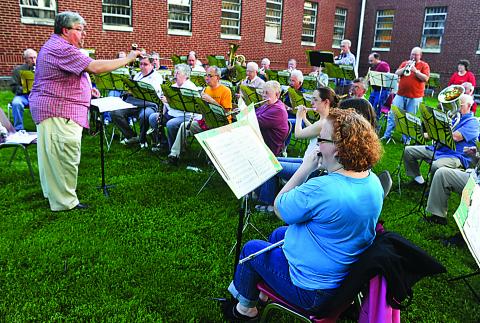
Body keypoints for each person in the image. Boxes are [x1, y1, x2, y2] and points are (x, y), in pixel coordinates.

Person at [224, 108, 383, 321]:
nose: (317, 146)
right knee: (279, 234)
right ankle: (259, 293)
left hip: (314, 292)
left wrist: (305, 168)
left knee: (251, 250)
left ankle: (245, 309)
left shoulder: (323, 188)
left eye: (320, 139)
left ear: (337, 149)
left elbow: (280, 207)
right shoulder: (372, 180)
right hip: (343, 279)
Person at [29, 11, 140, 211]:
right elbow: (95, 67)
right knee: (64, 155)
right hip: (59, 111)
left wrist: (88, 89)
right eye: (80, 30)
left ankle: (54, 195)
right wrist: (128, 59)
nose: (84, 34)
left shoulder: (57, 45)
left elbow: (67, 76)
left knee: (53, 157)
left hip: (55, 108)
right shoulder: (61, 48)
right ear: (65, 30)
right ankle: (65, 203)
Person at [255, 87, 339, 211]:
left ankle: (270, 203)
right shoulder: (325, 120)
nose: (311, 103)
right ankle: (264, 194)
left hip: (312, 168)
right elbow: (314, 132)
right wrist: (305, 118)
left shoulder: (323, 122)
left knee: (271, 165)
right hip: (310, 161)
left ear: (326, 102)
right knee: (272, 159)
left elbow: (299, 134)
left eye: (315, 100)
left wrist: (299, 117)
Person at [403, 94, 479, 186]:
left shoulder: (473, 122)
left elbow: (455, 137)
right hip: (439, 150)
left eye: (459, 104)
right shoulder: (453, 118)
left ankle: (432, 189)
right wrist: (418, 134)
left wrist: (441, 126)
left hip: (456, 156)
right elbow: (435, 134)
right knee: (408, 151)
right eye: (455, 104)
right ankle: (418, 180)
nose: (456, 107)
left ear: (469, 106)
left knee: (437, 166)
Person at [166, 66, 232, 165]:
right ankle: (174, 155)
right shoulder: (206, 89)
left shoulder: (225, 91)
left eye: (210, 76)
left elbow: (226, 113)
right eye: (206, 75)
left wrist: (212, 101)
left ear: (217, 77)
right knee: (184, 126)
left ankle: (213, 157)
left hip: (220, 125)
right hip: (205, 122)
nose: (206, 78)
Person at [110, 55, 163, 148]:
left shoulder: (157, 77)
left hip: (149, 105)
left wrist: (134, 92)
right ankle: (132, 136)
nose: (142, 67)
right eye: (141, 64)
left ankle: (143, 139)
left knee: (145, 115)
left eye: (145, 64)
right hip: (134, 103)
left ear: (151, 65)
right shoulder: (138, 75)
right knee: (115, 113)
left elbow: (153, 95)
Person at [382, 47, 430, 142]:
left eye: (416, 55)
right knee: (393, 113)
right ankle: (387, 135)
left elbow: (425, 78)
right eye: (412, 54)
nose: (413, 56)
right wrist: (405, 68)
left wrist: (415, 71)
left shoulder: (424, 65)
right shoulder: (405, 63)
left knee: (410, 117)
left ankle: (406, 139)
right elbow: (397, 73)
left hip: (415, 96)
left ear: (420, 55)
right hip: (400, 94)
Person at [148, 63, 198, 152]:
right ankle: (163, 143)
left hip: (186, 115)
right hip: (172, 113)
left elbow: (186, 106)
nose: (175, 75)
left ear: (185, 75)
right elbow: (166, 105)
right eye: (175, 73)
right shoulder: (173, 86)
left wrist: (169, 101)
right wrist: (162, 112)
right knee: (153, 117)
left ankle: (174, 151)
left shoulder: (190, 88)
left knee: (171, 124)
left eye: (178, 73)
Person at [255, 81, 289, 156]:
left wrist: (243, 114)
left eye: (266, 93)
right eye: (263, 92)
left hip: (269, 150)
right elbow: (254, 114)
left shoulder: (278, 110)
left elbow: (255, 121)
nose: (263, 95)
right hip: (260, 142)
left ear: (277, 94)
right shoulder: (267, 105)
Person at [10, 48, 37, 131]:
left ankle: (41, 129)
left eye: (35, 57)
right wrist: (26, 88)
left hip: (37, 96)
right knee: (16, 103)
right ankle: (19, 129)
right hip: (23, 96)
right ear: (25, 59)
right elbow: (13, 87)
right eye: (31, 58)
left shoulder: (42, 69)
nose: (33, 60)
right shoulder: (17, 70)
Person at [367, 52, 391, 117]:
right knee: (369, 106)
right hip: (375, 90)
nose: (370, 62)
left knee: (376, 108)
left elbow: (387, 77)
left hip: (382, 90)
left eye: (371, 60)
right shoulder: (373, 66)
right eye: (369, 61)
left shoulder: (383, 65)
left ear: (377, 58)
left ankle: (376, 125)